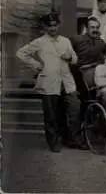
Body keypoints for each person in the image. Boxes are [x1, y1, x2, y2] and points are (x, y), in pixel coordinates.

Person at [17, 13, 86, 152]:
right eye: (49, 26)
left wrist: (70, 57)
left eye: (55, 25)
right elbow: (21, 53)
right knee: (51, 115)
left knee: (74, 109)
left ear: (58, 25)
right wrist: (36, 65)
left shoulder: (65, 41)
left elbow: (75, 58)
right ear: (44, 27)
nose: (53, 28)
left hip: (67, 82)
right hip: (49, 82)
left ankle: (74, 139)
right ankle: (53, 142)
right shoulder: (40, 42)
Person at [70, 17, 106, 103]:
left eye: (97, 27)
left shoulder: (101, 42)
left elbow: (102, 60)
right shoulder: (77, 39)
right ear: (86, 28)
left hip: (95, 72)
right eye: (92, 27)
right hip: (79, 73)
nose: (95, 30)